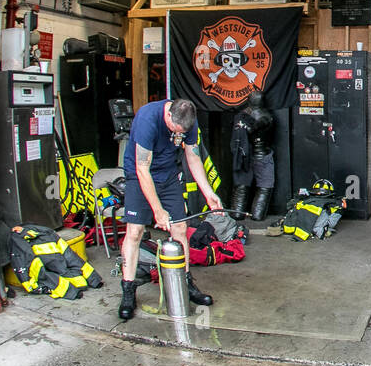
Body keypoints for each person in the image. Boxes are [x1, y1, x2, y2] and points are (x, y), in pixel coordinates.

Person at [117, 98, 222, 320]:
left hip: (168, 175)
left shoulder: (188, 121)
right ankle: (128, 289)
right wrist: (158, 210)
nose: (178, 134)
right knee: (134, 232)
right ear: (168, 116)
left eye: (182, 132)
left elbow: (193, 157)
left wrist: (208, 193)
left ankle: (186, 283)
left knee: (180, 229)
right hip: (140, 175)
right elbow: (142, 168)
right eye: (175, 130)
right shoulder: (147, 119)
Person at [229, 91, 275, 221]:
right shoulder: (266, 116)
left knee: (241, 185)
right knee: (265, 186)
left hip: (242, 155)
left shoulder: (240, 116)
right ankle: (257, 215)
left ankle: (237, 213)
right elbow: (256, 127)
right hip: (262, 155)